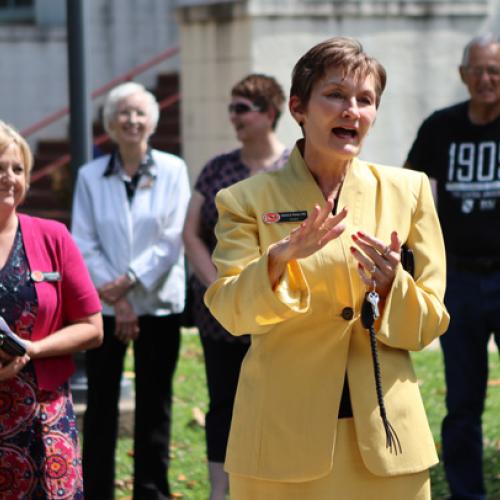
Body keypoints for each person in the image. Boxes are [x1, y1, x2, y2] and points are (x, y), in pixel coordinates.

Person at [204, 37, 450, 499]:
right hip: (278, 441)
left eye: (365, 100)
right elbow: (232, 311)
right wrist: (276, 262)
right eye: (335, 95)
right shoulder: (244, 201)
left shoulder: (410, 191)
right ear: (298, 107)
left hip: (387, 443)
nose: (351, 110)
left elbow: (430, 323)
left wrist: (393, 286)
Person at [71, 81, 190, 500]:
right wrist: (118, 298)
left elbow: (172, 238)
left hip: (159, 305)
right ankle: (97, 490)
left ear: (152, 121)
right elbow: (82, 242)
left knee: (155, 401)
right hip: (105, 308)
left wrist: (132, 282)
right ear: (110, 123)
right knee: (101, 403)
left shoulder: (174, 170)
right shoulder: (89, 175)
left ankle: (151, 489)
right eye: (123, 112)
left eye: (139, 113)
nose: (132, 120)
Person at [182, 73, 289, 500]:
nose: (233, 117)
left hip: (279, 312)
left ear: (269, 114)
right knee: (223, 404)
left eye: (242, 108)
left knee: (278, 403)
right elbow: (191, 233)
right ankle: (220, 491)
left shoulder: (293, 169)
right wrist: (219, 285)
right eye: (231, 108)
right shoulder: (217, 169)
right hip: (220, 316)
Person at [405, 33, 500, 500]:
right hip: (458, 278)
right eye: (478, 70)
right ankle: (467, 494)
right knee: (462, 400)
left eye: (495, 71)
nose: (486, 79)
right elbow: (408, 192)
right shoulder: (440, 127)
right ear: (463, 75)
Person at [0, 121, 103, 498]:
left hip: (44, 416)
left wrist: (34, 349)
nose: (9, 178)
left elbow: (92, 327)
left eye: (17, 168)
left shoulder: (52, 236)